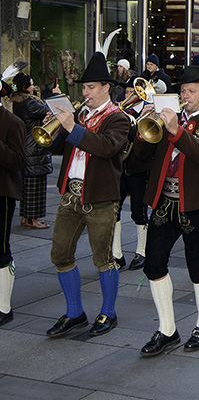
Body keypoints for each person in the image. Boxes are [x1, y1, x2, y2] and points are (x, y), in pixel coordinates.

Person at [134, 65, 199, 356]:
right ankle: (167, 330)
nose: (185, 96)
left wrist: (175, 130)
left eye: (191, 91)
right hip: (165, 201)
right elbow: (139, 158)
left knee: (197, 268)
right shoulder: (167, 120)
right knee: (153, 265)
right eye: (182, 91)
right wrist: (143, 127)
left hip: (197, 203)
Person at [46, 51, 130, 338]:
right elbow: (61, 150)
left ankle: (109, 312)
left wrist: (71, 126)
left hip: (100, 196)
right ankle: (74, 313)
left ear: (106, 87)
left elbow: (106, 147)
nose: (85, 92)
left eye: (91, 87)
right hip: (71, 193)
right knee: (60, 254)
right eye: (83, 88)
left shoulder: (119, 118)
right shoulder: (81, 114)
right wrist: (55, 129)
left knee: (103, 257)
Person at [115, 76, 152, 271]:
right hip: (119, 168)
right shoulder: (119, 111)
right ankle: (116, 254)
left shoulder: (147, 112)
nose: (130, 96)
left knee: (139, 211)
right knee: (115, 210)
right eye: (128, 92)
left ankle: (142, 251)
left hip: (139, 168)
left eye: (134, 92)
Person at [10, 72, 53, 229]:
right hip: (34, 148)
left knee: (28, 186)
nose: (34, 86)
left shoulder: (19, 102)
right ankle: (32, 220)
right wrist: (54, 95)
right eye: (31, 84)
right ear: (24, 87)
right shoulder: (30, 102)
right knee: (36, 187)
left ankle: (25, 218)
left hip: (26, 146)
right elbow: (49, 110)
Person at [0, 78, 25, 326]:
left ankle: (4, 307)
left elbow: (18, 161)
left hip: (2, 194)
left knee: (0, 249)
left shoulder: (13, 122)